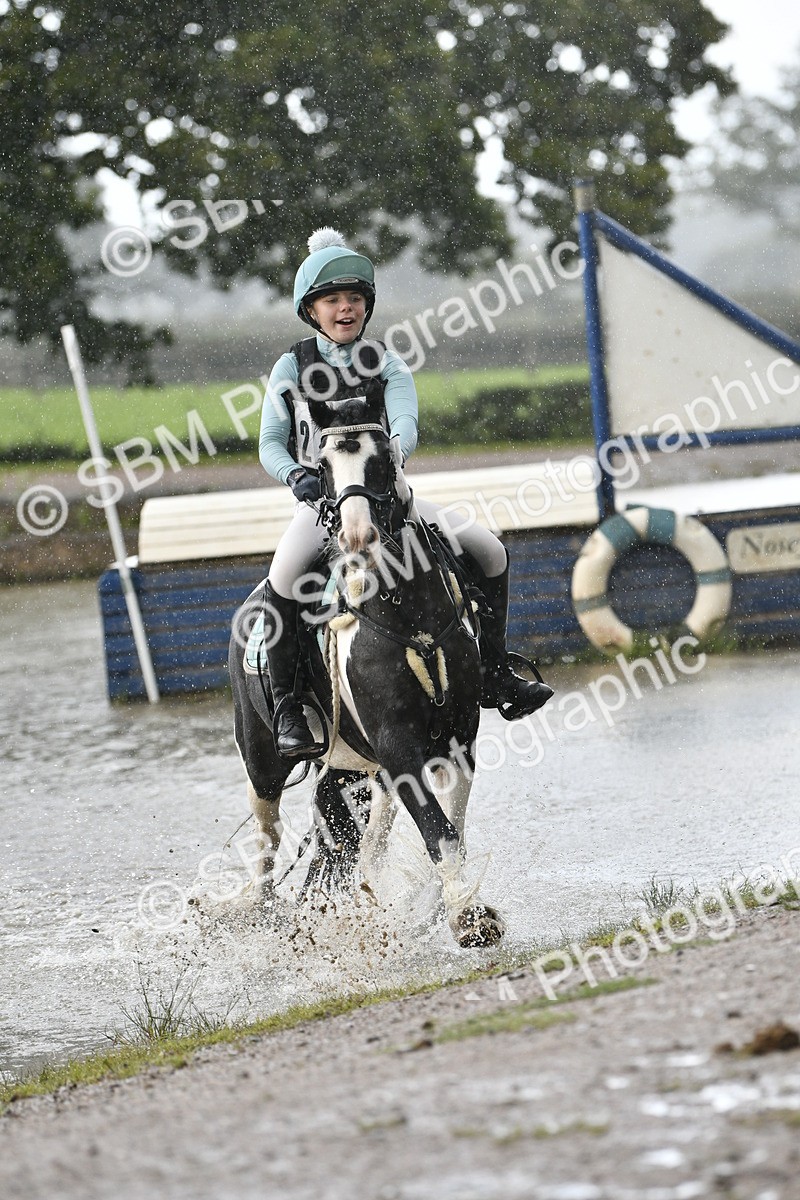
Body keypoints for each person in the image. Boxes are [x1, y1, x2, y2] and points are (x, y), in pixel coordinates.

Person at [259, 228, 553, 758]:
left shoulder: (386, 363)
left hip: (391, 500)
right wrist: (297, 479)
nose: (345, 308)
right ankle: (289, 712)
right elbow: (270, 445)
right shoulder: (291, 368)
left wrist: (391, 453)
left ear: (366, 307)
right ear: (312, 310)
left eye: (354, 299)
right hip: (323, 507)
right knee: (281, 586)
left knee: (490, 551)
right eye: (333, 300)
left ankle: (494, 672)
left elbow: (406, 425)